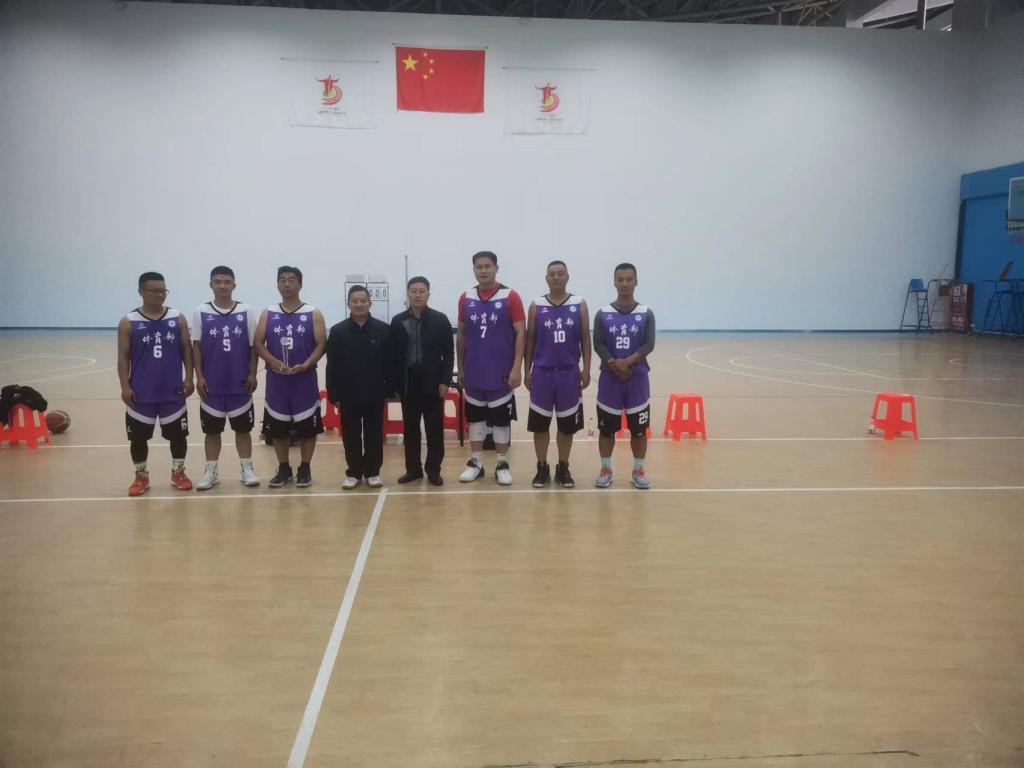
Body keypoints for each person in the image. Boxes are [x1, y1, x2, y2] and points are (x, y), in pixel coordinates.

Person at [117, 271, 194, 496]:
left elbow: (186, 350)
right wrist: (125, 386)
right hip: (141, 393)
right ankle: (141, 476)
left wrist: (189, 378)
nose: (160, 295)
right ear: (141, 291)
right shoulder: (129, 322)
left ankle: (178, 472)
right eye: (155, 291)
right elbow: (123, 357)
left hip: (173, 392)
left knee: (178, 436)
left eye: (163, 291)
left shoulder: (177, 318)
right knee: (138, 438)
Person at [456, 251, 525, 486]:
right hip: (474, 371)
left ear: (496, 268)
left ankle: (502, 464)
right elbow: (461, 335)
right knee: (475, 420)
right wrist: (461, 368)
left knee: (500, 421)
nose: (483, 270)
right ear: (474, 269)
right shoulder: (466, 297)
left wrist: (516, 368)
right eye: (479, 266)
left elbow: (521, 333)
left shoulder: (510, 296)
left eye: (488, 266)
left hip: (501, 373)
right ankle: (475, 463)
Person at [254, 266, 326, 488]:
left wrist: (307, 364)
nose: (286, 284)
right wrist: (272, 361)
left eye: (291, 280)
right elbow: (258, 343)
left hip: (304, 380)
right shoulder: (268, 312)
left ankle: (305, 468)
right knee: (278, 429)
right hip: (277, 382)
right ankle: (284, 468)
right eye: (282, 280)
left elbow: (321, 344)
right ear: (277, 284)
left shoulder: (313, 312)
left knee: (308, 429)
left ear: (300, 284)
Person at [192, 266, 260, 490]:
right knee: (212, 432)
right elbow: (197, 346)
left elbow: (253, 346)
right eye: (218, 282)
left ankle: (247, 468)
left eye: (227, 282)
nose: (222, 285)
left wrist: (253, 373)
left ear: (234, 285)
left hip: (240, 384)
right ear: (211, 285)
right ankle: (211, 471)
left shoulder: (247, 311)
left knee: (243, 430)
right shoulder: (201, 311)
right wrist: (199, 376)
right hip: (212, 385)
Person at [524, 260, 592, 488]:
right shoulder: (536, 305)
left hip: (568, 374)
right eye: (551, 274)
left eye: (560, 273)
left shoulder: (579, 304)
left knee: (566, 426)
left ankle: (563, 466)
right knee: (540, 426)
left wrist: (587, 369)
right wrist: (526, 370)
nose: (556, 277)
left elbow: (585, 338)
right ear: (546, 278)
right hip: (542, 374)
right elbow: (530, 340)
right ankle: (541, 467)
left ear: (567, 277)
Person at [593, 263, 656, 490]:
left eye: (629, 279)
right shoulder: (603, 313)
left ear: (636, 281)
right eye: (620, 279)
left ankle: (638, 471)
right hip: (610, 379)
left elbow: (649, 344)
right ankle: (605, 469)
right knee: (606, 429)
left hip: (637, 379)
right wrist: (614, 364)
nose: (625, 284)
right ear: (614, 282)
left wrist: (627, 362)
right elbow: (598, 344)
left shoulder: (646, 313)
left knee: (639, 430)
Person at [326, 285, 394, 490]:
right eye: (354, 301)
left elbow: (390, 363)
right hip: (348, 394)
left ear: (370, 303)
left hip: (375, 392)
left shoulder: (383, 330)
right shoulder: (338, 331)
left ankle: (373, 472)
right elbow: (332, 365)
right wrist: (333, 394)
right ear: (348, 304)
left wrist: (389, 390)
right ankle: (354, 472)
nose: (359, 304)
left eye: (363, 301)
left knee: (374, 434)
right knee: (351, 435)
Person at [390, 276, 454, 486]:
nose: (417, 295)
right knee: (410, 431)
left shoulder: (440, 320)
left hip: (433, 384)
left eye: (421, 291)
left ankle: (433, 470)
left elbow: (449, 354)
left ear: (428, 294)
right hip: (408, 385)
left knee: (434, 430)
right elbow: (392, 356)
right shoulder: (397, 321)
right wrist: (394, 385)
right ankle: (413, 470)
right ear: (408, 294)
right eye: (413, 291)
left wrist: (445, 381)